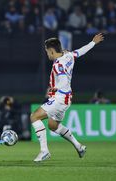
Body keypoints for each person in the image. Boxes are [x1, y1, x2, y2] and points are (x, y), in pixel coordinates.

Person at [31, 33, 104, 162]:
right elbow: (81, 51)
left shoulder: (58, 65)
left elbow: (63, 80)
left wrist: (56, 88)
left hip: (59, 98)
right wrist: (93, 42)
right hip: (66, 99)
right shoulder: (68, 55)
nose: (47, 54)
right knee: (53, 126)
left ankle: (44, 151)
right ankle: (79, 146)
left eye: (47, 52)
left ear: (52, 51)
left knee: (34, 116)